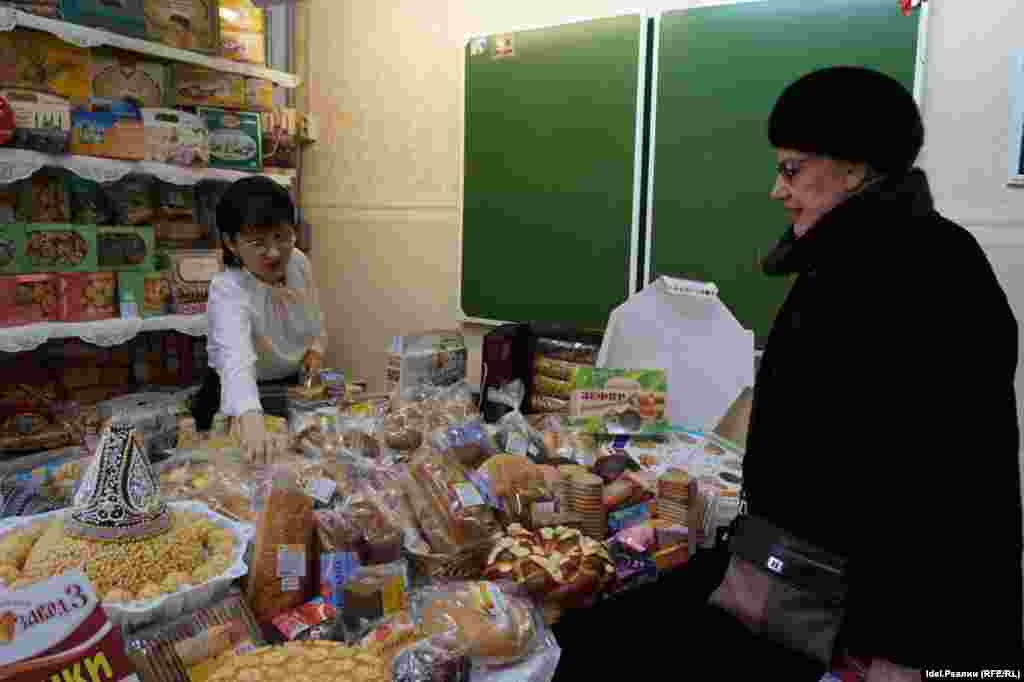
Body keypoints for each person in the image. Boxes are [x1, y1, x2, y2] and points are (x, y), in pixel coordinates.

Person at [552, 67, 1022, 680]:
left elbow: (946, 486)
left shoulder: (921, 274)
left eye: (792, 169)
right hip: (795, 577)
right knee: (592, 636)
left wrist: (892, 653)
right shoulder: (854, 258)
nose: (778, 189)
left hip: (863, 614)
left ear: (854, 169)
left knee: (594, 650)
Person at [192, 176, 327, 460]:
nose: (275, 252)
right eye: (258, 243)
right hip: (239, 398)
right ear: (231, 242)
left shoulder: (298, 262)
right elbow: (236, 358)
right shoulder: (228, 288)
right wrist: (250, 418)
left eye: (282, 236)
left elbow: (314, 314)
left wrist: (315, 349)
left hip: (291, 389)